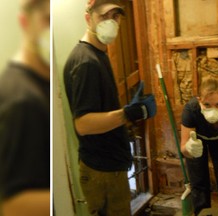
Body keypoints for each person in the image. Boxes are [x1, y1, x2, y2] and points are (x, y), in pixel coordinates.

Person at [63, 0, 156, 215]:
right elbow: (83, 124)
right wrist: (127, 113)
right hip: (101, 171)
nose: (111, 22)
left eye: (115, 16)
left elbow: (97, 110)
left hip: (109, 167)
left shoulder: (98, 55)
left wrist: (126, 110)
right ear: (88, 18)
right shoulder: (86, 62)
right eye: (104, 16)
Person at [0, 0, 50, 216]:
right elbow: (12, 205)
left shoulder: (42, 82)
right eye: (47, 20)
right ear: (24, 22)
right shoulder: (22, 100)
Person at [181, 77, 218, 215]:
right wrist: (189, 149)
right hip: (197, 141)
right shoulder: (191, 110)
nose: (213, 110)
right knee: (198, 180)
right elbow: (183, 148)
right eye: (207, 105)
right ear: (199, 100)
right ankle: (201, 212)